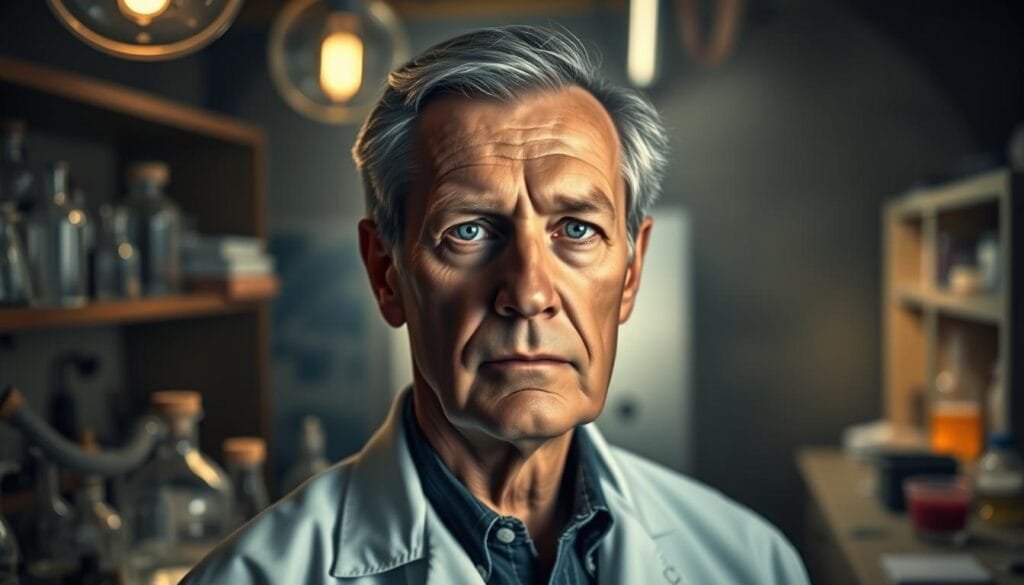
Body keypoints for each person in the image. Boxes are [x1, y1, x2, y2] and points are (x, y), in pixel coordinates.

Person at [183, 25, 809, 585]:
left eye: (577, 229)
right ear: (386, 274)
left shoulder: (750, 563)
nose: (530, 294)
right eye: (470, 231)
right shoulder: (249, 577)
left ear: (631, 272)